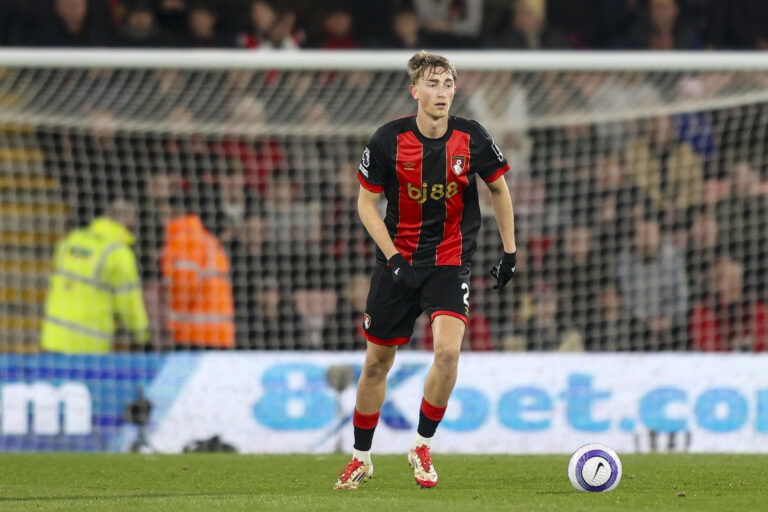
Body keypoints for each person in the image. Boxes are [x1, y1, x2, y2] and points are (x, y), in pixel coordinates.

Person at [334, 51, 517, 490]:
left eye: (449, 83)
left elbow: (498, 189)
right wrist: (394, 258)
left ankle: (420, 444)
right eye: (433, 84)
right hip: (397, 262)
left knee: (449, 353)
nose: (442, 92)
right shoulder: (387, 140)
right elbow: (365, 204)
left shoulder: (471, 137)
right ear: (414, 91)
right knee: (377, 362)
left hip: (449, 260)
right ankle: (361, 457)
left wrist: (510, 252)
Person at [40, 198, 149, 353]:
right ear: (129, 222)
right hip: (88, 344)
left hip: (52, 338)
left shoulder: (71, 240)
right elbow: (129, 302)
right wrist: (142, 334)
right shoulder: (118, 253)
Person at [160, 191, 235, 349]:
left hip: (195, 335)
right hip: (219, 334)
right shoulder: (207, 239)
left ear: (174, 211)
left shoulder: (185, 238)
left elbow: (184, 285)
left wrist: (171, 327)